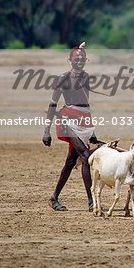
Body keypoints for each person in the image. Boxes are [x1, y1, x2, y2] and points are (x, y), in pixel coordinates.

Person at [42, 42, 97, 211]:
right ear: (70, 60)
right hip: (67, 120)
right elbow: (53, 104)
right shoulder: (63, 79)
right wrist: (46, 130)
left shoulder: (87, 77)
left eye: (82, 57)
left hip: (82, 120)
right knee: (86, 156)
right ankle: (92, 202)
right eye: (76, 57)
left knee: (71, 161)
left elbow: (85, 104)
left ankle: (54, 198)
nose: (79, 60)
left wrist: (92, 131)